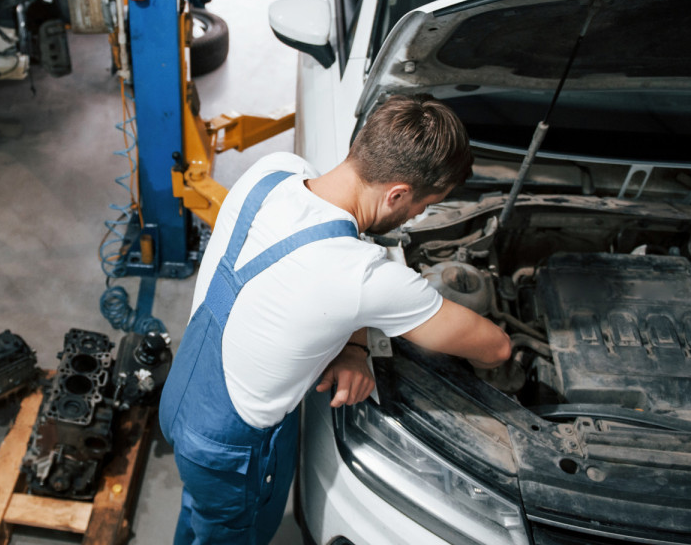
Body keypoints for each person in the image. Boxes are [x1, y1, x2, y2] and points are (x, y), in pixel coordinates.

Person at [158, 94, 512, 544]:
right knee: (234, 534)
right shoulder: (366, 276)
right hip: (232, 450)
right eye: (423, 205)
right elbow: (494, 347)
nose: (418, 216)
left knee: (201, 515)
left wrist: (355, 345)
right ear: (397, 194)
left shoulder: (275, 170)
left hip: (185, 395)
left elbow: (337, 285)